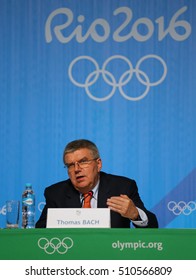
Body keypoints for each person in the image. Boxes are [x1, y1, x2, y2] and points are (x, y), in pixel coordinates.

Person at [36, 139, 158, 228]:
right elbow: (39, 234)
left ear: (98, 164)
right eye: (71, 165)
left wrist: (135, 214)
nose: (77, 169)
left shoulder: (122, 187)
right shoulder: (56, 193)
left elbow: (152, 226)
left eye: (83, 162)